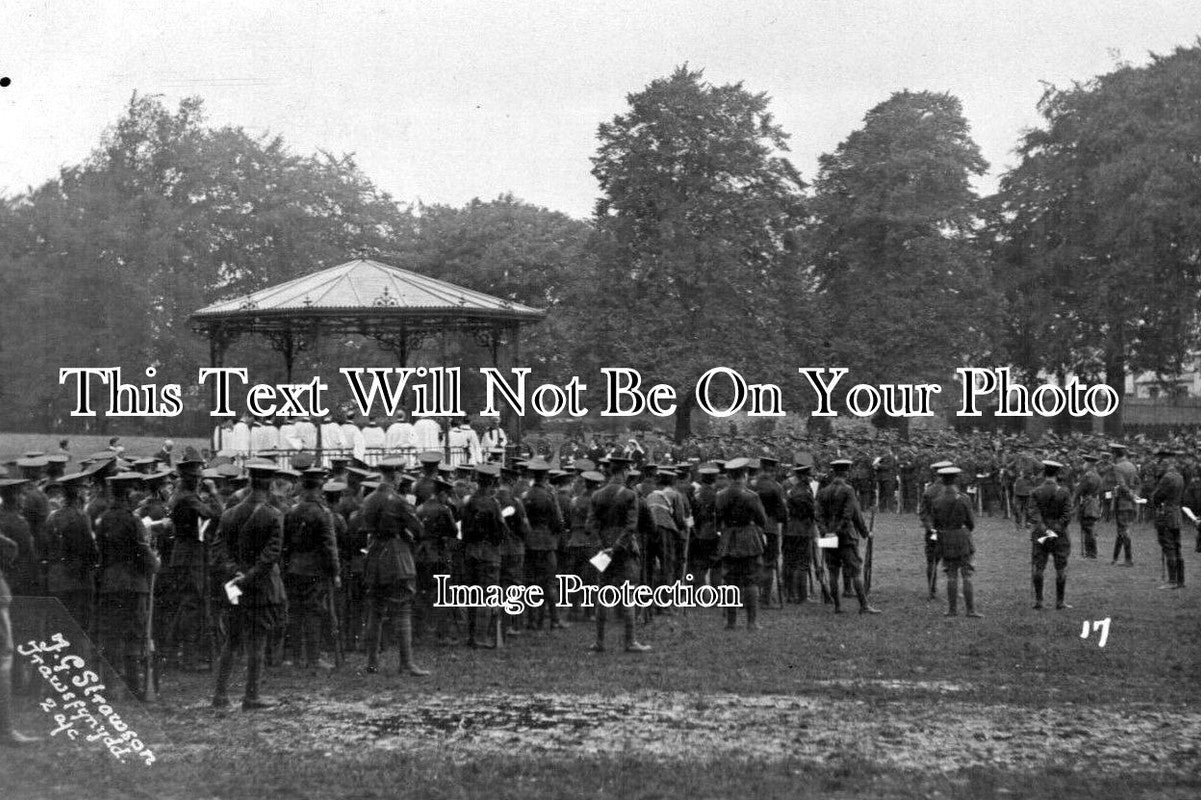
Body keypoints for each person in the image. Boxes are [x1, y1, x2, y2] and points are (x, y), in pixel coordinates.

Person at [211, 461, 288, 710]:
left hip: (235, 586)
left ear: (250, 482)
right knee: (257, 641)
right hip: (261, 587)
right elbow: (271, 554)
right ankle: (251, 697)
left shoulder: (229, 514)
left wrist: (236, 573)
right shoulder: (273, 515)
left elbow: (218, 550)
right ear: (271, 484)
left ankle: (220, 695)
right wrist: (250, 576)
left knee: (231, 641)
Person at [95, 472, 160, 700]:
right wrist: (155, 563)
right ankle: (134, 686)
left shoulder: (104, 520)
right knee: (135, 633)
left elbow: (100, 553)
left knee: (112, 635)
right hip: (133, 584)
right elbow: (143, 551)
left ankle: (112, 687)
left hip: (110, 583)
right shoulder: (133, 520)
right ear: (128, 494)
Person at [361, 459, 428, 676]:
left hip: (375, 555)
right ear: (397, 475)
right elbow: (418, 529)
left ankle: (372, 663)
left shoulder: (369, 499)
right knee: (403, 609)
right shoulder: (399, 501)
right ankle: (406, 663)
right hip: (397, 556)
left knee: (376, 610)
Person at [586, 456, 651, 653]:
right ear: (624, 472)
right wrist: (616, 547)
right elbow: (631, 526)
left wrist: (602, 547)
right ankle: (630, 642)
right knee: (628, 593)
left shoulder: (597, 495)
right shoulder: (630, 495)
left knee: (603, 592)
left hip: (603, 548)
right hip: (624, 550)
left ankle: (599, 641)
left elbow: (591, 525)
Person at [282, 467, 341, 670]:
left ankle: (298, 657)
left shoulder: (292, 511)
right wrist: (335, 572)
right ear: (320, 487)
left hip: (294, 567)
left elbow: (286, 544)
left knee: (296, 611)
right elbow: (329, 546)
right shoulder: (323, 513)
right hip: (315, 569)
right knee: (313, 611)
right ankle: (314, 658)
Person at [0, 477, 40, 746]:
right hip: (9, 587)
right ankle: (6, 730)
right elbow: (15, 548)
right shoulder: (16, 522)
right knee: (5, 654)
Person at [816, 459, 882, 615]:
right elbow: (852, 515)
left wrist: (826, 532)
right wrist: (865, 533)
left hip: (828, 534)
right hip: (845, 536)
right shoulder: (848, 490)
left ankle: (837, 606)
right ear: (846, 472)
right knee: (855, 571)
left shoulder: (823, 491)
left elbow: (818, 515)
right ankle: (864, 605)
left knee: (833, 572)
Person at [716, 458, 767, 629]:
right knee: (751, 580)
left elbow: (718, 520)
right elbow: (762, 519)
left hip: (729, 538)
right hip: (748, 539)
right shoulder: (751, 496)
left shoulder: (720, 496)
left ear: (729, 476)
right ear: (744, 475)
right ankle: (752, 623)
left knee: (730, 581)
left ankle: (731, 622)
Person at [928, 467, 981, 618]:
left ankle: (952, 610)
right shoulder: (963, 498)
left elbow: (935, 523)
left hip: (946, 538)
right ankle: (970, 610)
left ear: (942, 480)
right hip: (962, 537)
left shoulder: (937, 500)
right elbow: (971, 523)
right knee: (967, 575)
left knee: (951, 575)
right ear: (955, 479)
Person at [521, 459, 566, 629]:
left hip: (530, 542)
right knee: (549, 583)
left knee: (531, 583)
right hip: (547, 543)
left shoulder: (525, 496)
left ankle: (532, 620)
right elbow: (558, 521)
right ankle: (553, 619)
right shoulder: (549, 495)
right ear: (546, 476)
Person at [1029, 460, 1073, 610]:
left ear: (1044, 473)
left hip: (1041, 534)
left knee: (1038, 567)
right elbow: (1067, 516)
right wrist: (1054, 530)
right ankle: (1060, 602)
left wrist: (1043, 528)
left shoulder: (1036, 492)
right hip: (1059, 535)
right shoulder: (1064, 492)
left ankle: (1039, 601)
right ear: (1057, 474)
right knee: (1061, 568)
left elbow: (1033, 513)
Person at [1151, 449, 1185, 590]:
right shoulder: (1179, 476)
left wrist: (1154, 499)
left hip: (1166, 514)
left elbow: (1157, 496)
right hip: (1176, 513)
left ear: (1165, 462)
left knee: (1168, 546)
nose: (1159, 465)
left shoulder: (1167, 478)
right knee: (1177, 547)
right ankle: (1180, 580)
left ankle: (1172, 581)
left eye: (1160, 462)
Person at [919, 460, 953, 600]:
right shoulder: (953, 490)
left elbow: (923, 514)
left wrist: (930, 528)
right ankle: (953, 589)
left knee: (932, 561)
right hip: (950, 531)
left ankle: (932, 590)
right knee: (952, 560)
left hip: (933, 532)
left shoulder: (929, 491)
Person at [782, 463, 817, 603]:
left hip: (789, 529)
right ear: (803, 476)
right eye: (808, 475)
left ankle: (790, 594)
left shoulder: (791, 491)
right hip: (802, 530)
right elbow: (812, 511)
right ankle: (802, 596)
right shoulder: (806, 492)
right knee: (802, 564)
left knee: (789, 562)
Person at [1111, 443, 1139, 566]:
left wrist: (1127, 493)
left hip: (1122, 501)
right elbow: (1135, 483)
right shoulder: (1131, 465)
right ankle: (1115, 558)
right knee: (1121, 530)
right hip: (1130, 502)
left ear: (1115, 454)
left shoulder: (1118, 467)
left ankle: (1128, 559)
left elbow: (1122, 485)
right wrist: (1133, 494)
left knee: (1123, 530)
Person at [1073, 454, 1103, 559]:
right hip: (1094, 502)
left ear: (1089, 464)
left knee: (1088, 528)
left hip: (1087, 503)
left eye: (1085, 463)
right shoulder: (1098, 476)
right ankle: (1091, 552)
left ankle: (1090, 553)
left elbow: (1079, 491)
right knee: (1090, 527)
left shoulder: (1088, 476)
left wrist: (1076, 489)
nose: (1083, 465)